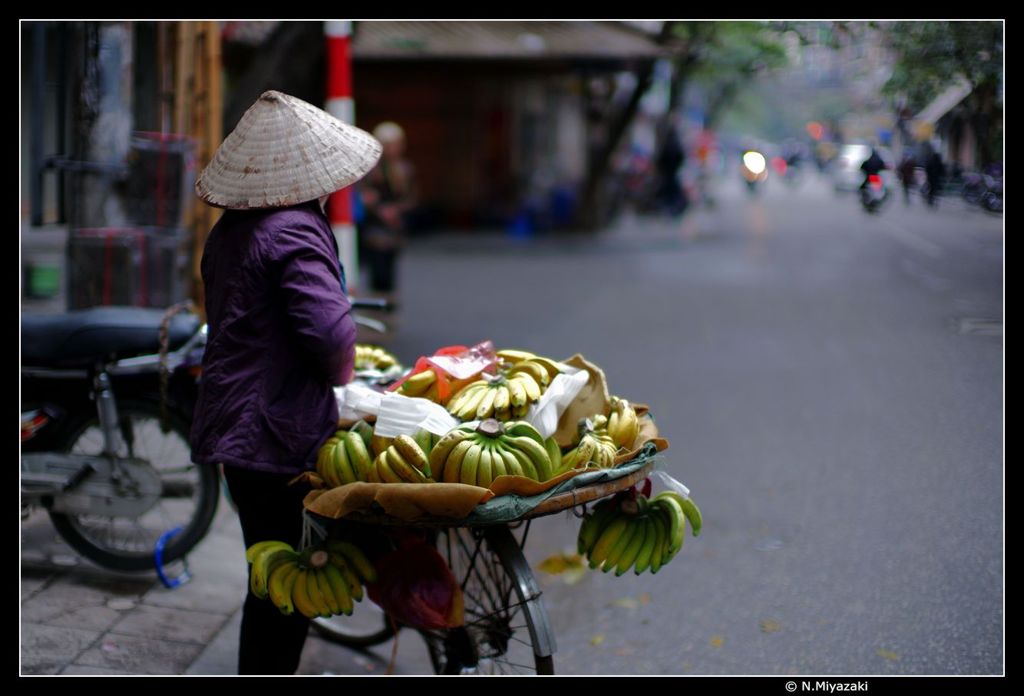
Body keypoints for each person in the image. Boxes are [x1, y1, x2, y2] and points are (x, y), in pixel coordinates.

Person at [191, 90, 382, 675]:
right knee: (287, 585)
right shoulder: (295, 229)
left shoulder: (233, 228)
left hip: (242, 421)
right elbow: (330, 338)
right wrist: (343, 379)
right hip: (274, 430)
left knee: (270, 576)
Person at [359, 121, 417, 297]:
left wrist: (397, 210)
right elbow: (363, 196)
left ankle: (387, 308)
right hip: (375, 230)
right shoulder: (371, 169)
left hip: (395, 230)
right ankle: (378, 308)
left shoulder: (405, 169)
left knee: (389, 275)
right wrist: (378, 208)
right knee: (378, 273)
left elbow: (412, 199)